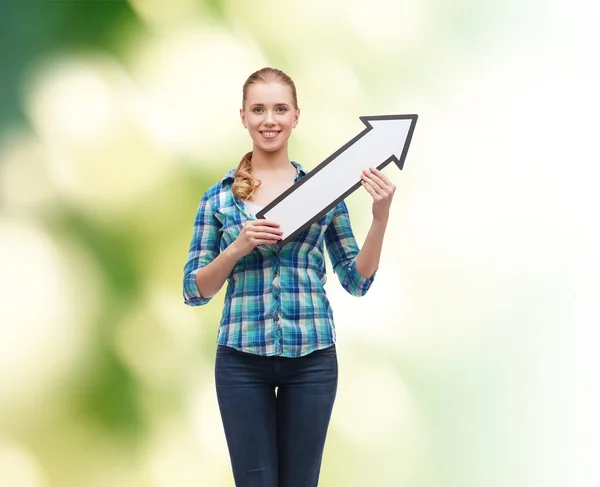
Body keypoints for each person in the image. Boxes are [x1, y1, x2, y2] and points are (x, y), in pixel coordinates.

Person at [182, 67, 396, 487]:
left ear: (297, 116)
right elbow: (195, 289)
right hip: (241, 360)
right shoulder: (219, 198)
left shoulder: (326, 191)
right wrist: (238, 247)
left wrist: (380, 217)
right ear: (242, 116)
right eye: (258, 109)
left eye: (280, 109)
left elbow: (357, 280)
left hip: (312, 359)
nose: (269, 119)